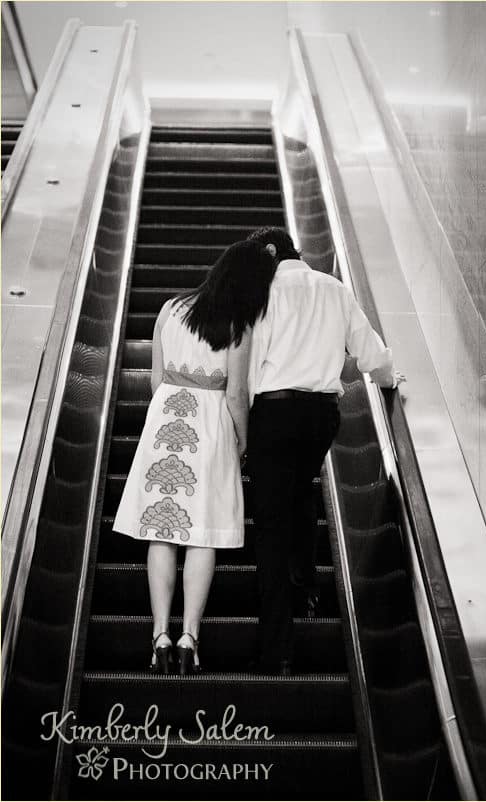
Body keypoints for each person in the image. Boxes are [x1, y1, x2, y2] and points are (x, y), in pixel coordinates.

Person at [113, 240, 278, 675]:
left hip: (165, 419)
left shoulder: (169, 309)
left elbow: (154, 379)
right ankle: (190, 636)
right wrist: (242, 443)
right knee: (203, 534)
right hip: (211, 424)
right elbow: (238, 395)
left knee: (162, 531)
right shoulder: (239, 323)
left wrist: (169, 416)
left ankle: (159, 634)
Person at [245, 227, 405, 674]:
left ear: (270, 256)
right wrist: (391, 381)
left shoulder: (262, 294)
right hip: (320, 414)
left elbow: (249, 364)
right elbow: (372, 354)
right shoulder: (334, 289)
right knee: (301, 490)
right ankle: (307, 584)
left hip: (272, 414)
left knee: (271, 525)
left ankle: (277, 651)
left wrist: (241, 427)